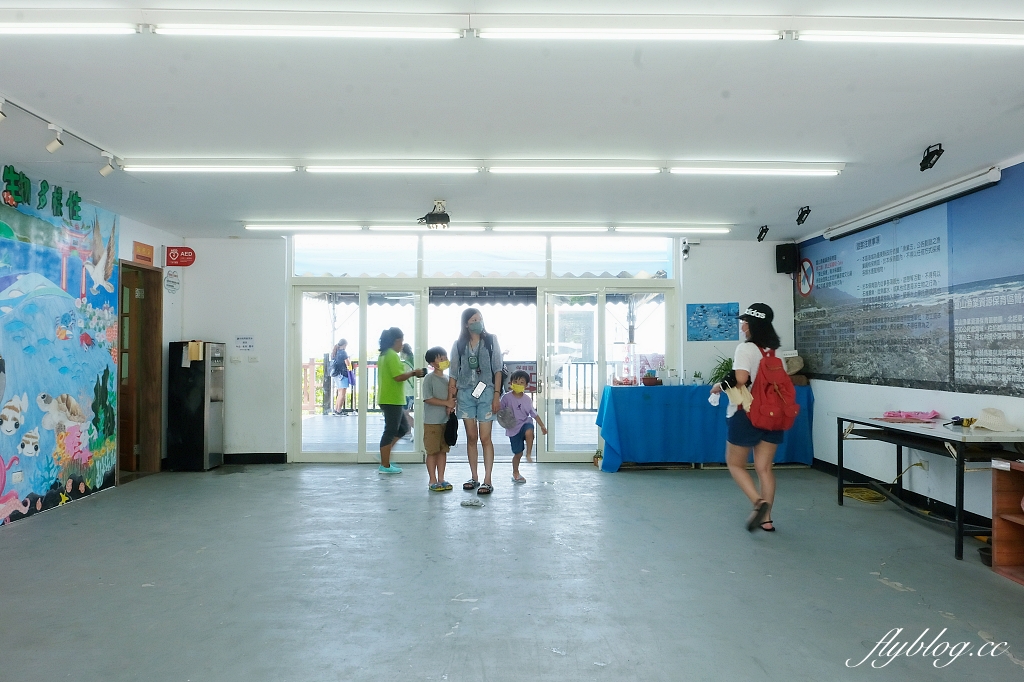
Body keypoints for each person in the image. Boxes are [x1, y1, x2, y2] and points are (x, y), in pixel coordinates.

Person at [710, 303, 783, 532]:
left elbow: (740, 378)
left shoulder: (746, 348)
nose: (742, 325)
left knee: (735, 464)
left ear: (752, 325)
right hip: (774, 415)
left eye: (745, 321)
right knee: (764, 469)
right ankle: (767, 519)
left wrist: (718, 386)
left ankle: (757, 501)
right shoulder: (775, 350)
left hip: (747, 413)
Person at [449, 308, 503, 495]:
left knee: (485, 437)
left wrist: (497, 395)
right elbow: (453, 373)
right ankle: (474, 476)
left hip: (486, 391)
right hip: (465, 394)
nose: (478, 322)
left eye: (479, 319)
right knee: (471, 437)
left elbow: (498, 369)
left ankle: (488, 479)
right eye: (473, 319)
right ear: (466, 324)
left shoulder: (490, 340)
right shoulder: (458, 344)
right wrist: (451, 399)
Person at [376, 327, 426, 474]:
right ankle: (384, 465)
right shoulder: (391, 355)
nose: (402, 344)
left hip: (390, 398)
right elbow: (397, 377)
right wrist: (414, 372)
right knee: (390, 431)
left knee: (403, 428)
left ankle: (385, 455)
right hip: (391, 399)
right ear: (396, 341)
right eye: (401, 341)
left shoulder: (384, 354)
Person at [499, 370, 547, 484]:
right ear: (510, 383)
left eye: (521, 382)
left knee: (529, 430)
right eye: (515, 381)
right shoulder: (506, 398)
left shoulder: (527, 399)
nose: (518, 384)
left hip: (525, 422)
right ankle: (515, 472)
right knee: (517, 453)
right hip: (512, 428)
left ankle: (529, 453)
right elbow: (499, 411)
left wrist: (542, 426)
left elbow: (533, 414)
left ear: (526, 385)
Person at [421, 346, 455, 492]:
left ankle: (441, 478)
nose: (445, 360)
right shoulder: (429, 378)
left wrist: (452, 402)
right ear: (432, 363)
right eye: (441, 359)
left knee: (443, 451)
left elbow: (452, 398)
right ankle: (432, 480)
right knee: (432, 451)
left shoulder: (448, 379)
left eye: (445, 357)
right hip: (432, 422)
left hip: (445, 421)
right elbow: (428, 398)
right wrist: (446, 403)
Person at [329, 339, 351, 415]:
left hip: (336, 374)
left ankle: (336, 409)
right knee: (342, 393)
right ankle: (339, 410)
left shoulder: (335, 352)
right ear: (344, 345)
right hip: (342, 374)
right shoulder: (343, 352)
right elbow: (348, 363)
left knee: (339, 392)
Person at [400, 343, 416, 440]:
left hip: (407, 392)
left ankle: (418, 431)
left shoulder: (405, 364)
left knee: (405, 413)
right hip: (411, 392)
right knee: (406, 413)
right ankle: (408, 433)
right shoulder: (412, 361)